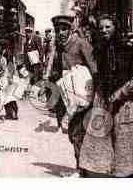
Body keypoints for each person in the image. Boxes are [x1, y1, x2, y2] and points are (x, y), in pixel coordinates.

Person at [78, 15, 133, 177]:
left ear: (115, 27)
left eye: (108, 27)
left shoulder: (127, 49)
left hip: (125, 106)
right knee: (98, 149)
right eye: (101, 27)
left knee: (125, 152)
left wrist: (119, 93)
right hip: (105, 104)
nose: (103, 30)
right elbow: (100, 77)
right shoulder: (99, 50)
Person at [43, 14, 97, 176]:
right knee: (74, 133)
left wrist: (96, 93)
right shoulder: (59, 47)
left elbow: (94, 67)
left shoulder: (80, 43)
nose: (61, 32)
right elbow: (58, 72)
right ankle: (82, 169)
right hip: (69, 96)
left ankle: (82, 171)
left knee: (77, 132)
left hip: (84, 94)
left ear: (71, 29)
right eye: (58, 30)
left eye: (64, 29)